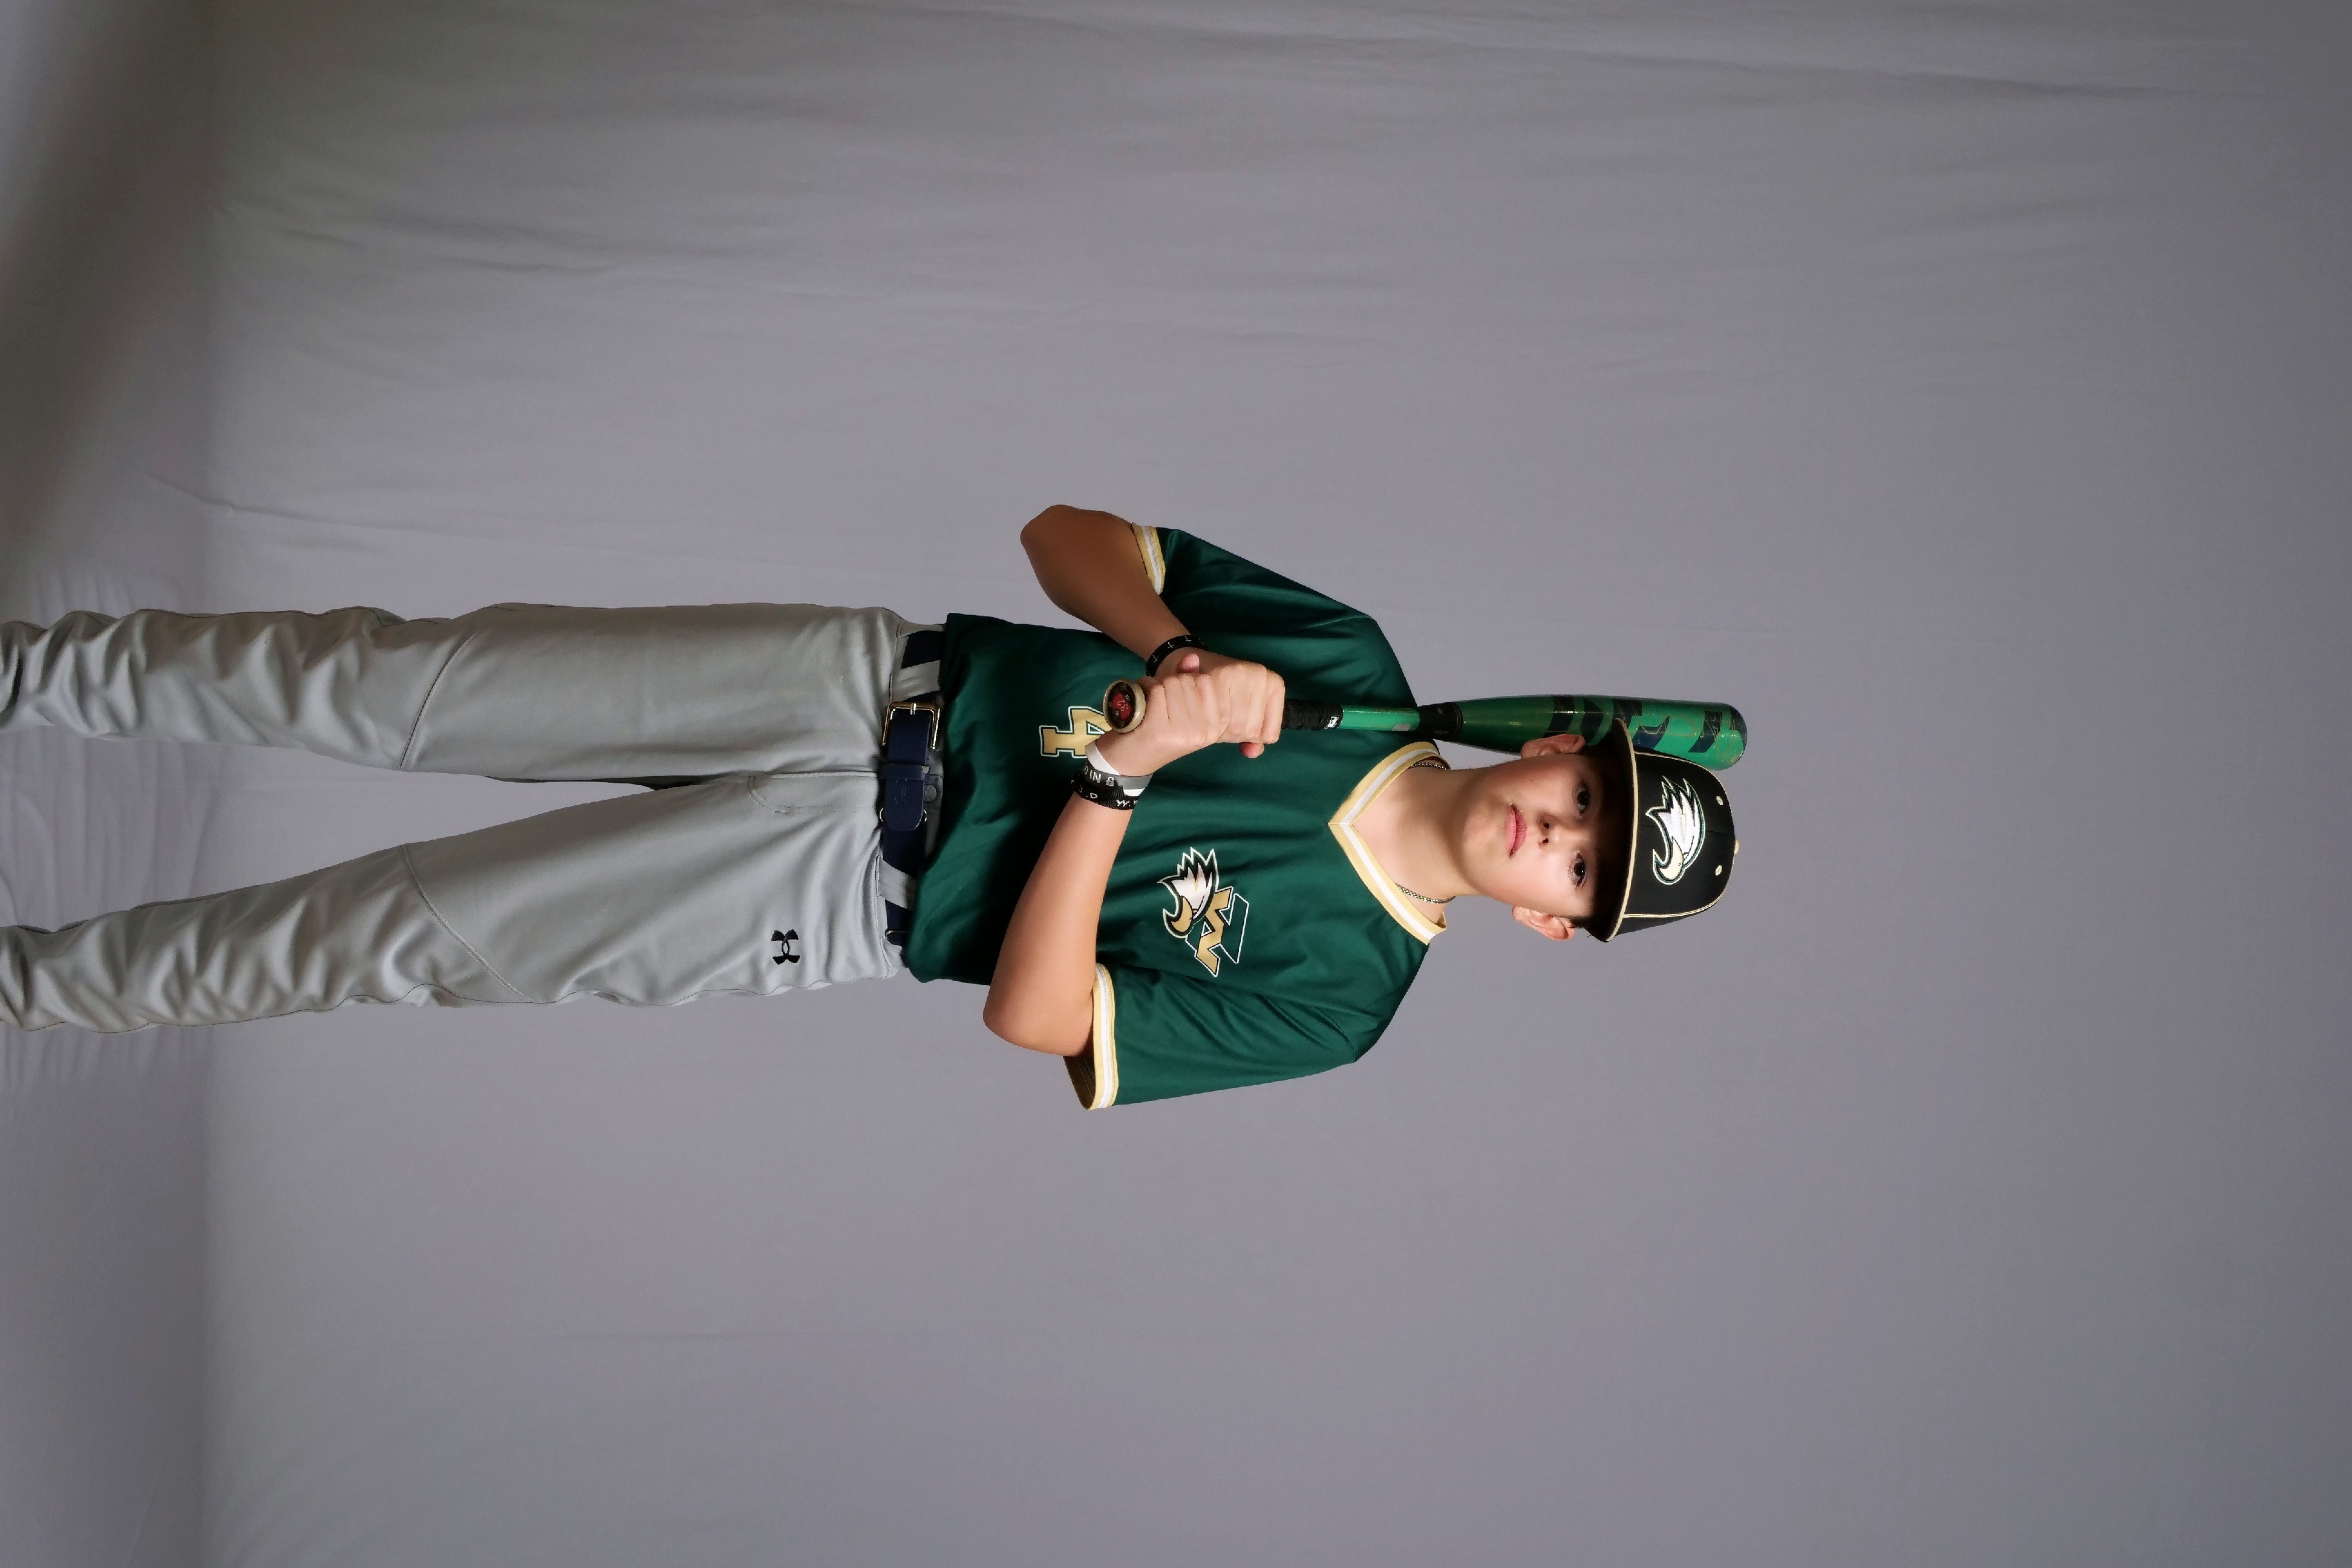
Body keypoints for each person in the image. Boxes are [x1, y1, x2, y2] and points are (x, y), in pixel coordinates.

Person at [0, 507, 1738, 1107]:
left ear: (1554, 925)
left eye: (1585, 871)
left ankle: (24, 989)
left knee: (384, 935)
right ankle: (24, 673)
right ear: (1554, 746)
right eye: (1585, 792)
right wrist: (1182, 650)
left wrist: (1128, 771)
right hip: (858, 685)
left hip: (837, 894)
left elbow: (1036, 1014)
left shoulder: (1342, 1000)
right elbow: (1062, 537)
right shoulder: (1351, 668)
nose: (1558, 833)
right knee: (385, 679)